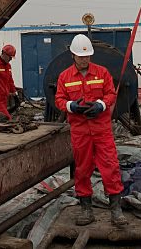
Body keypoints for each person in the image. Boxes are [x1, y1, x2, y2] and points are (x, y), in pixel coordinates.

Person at [53, 34, 127, 227]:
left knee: (110, 167)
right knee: (82, 169)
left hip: (101, 129)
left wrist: (101, 105)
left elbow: (111, 93)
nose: (84, 60)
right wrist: (71, 106)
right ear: (73, 56)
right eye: (81, 57)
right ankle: (86, 209)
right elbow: (59, 99)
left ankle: (116, 209)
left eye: (87, 56)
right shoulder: (65, 77)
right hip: (80, 131)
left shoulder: (102, 73)